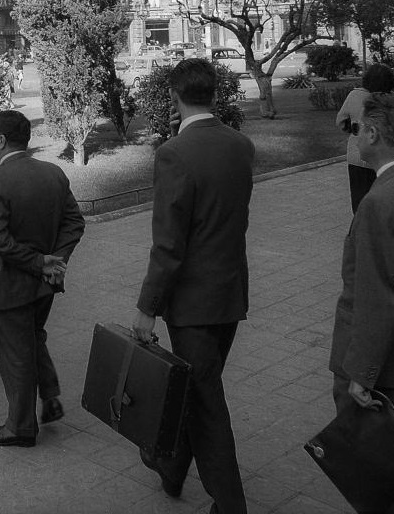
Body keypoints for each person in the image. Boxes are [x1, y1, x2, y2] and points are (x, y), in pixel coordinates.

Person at [132, 58, 254, 514]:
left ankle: (230, 503)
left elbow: (169, 244)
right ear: (215, 94)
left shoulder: (174, 153)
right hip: (229, 293)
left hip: (193, 304)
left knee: (206, 406)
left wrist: (147, 307)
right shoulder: (240, 145)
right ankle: (171, 466)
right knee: (197, 388)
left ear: (173, 97)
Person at [328, 92, 394, 511]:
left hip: (389, 375)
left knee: (384, 485)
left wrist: (361, 375)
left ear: (371, 134)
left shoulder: (381, 202)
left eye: (357, 128)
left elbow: (378, 296)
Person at [0, 110, 85, 447]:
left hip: (4, 285)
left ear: (1, 139)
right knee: (32, 338)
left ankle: (20, 426)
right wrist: (54, 263)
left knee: (14, 355)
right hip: (43, 285)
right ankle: (50, 396)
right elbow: (75, 223)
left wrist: (39, 262)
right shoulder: (53, 173)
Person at [335, 62, 394, 214]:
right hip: (384, 157)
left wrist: (353, 128)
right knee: (383, 199)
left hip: (357, 156)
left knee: (359, 199)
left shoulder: (354, 95)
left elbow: (341, 121)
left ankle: (360, 230)